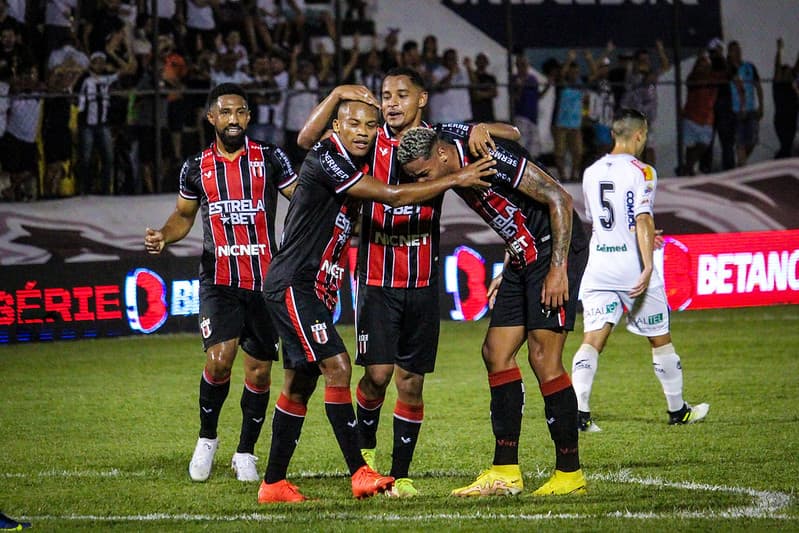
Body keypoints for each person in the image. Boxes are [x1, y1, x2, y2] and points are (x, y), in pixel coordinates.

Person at [257, 98, 497, 504]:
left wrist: (476, 129)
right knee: (338, 366)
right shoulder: (328, 156)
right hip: (292, 282)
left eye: (370, 124)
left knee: (301, 383)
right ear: (336, 126)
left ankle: (273, 484)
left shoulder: (354, 161)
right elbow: (391, 196)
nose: (363, 131)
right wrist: (455, 179)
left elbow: (483, 134)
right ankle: (360, 472)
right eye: (353, 123)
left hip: (314, 286)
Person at [397, 125, 590, 497]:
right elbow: (512, 206)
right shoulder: (448, 143)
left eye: (423, 175)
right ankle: (505, 471)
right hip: (522, 254)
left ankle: (569, 474)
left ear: (440, 156)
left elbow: (558, 198)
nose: (423, 183)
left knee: (543, 357)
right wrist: (510, 256)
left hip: (552, 250)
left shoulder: (489, 158)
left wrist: (558, 268)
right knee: (495, 353)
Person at [144, 83, 299, 483]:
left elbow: (299, 197)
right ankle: (207, 440)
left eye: (241, 112)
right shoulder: (195, 166)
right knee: (218, 359)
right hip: (219, 278)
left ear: (248, 117)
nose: (234, 120)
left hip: (266, 281)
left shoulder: (270, 157)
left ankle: (245, 451)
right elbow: (183, 215)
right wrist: (164, 233)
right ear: (211, 117)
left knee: (260, 372)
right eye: (226, 113)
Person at [570, 108, 710, 433]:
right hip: (631, 267)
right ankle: (678, 410)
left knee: (593, 337)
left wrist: (643, 237)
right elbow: (642, 218)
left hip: (599, 264)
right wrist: (648, 265)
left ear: (612, 135)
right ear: (639, 135)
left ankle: (580, 413)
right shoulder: (643, 171)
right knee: (660, 339)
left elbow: (605, 220)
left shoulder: (591, 172)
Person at [727, 41, 763, 167]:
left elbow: (757, 86)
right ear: (729, 53)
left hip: (751, 109)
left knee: (752, 140)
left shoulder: (749, 66)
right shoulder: (729, 69)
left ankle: (741, 164)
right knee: (740, 141)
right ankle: (742, 166)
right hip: (736, 111)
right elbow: (739, 88)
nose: (737, 52)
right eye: (733, 50)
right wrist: (741, 107)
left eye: (738, 49)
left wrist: (761, 106)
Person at [772, 38, 798, 159]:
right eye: (787, 71)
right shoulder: (779, 85)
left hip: (791, 119)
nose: (790, 73)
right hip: (782, 120)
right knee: (786, 145)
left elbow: (797, 66)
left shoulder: (792, 86)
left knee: (788, 145)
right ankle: (780, 163)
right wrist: (779, 50)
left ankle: (783, 162)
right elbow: (777, 66)